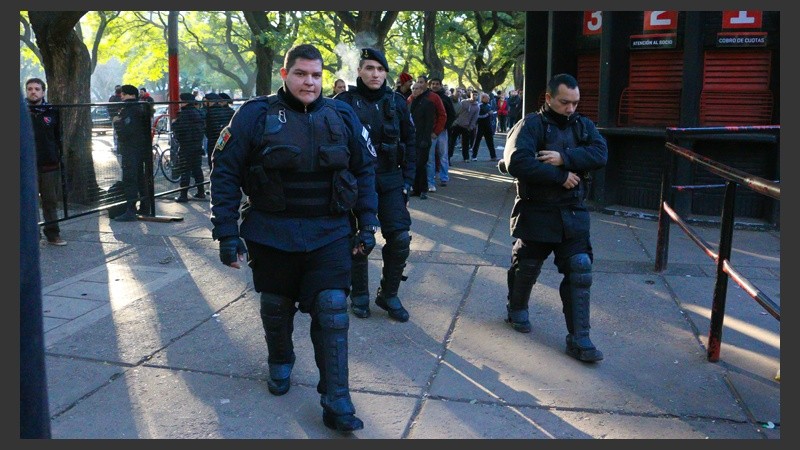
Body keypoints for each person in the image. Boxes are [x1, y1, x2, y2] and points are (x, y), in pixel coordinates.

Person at [209, 43, 379, 433]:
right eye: (301, 74)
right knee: (276, 306)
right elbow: (226, 173)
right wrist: (226, 232)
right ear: (284, 75)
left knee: (334, 310)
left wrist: (367, 224)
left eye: (316, 75)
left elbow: (366, 170)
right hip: (272, 233)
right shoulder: (254, 115)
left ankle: (336, 399)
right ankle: (280, 360)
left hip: (330, 232)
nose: (310, 82)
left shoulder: (343, 115)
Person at [497, 73, 608, 363]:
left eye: (575, 103)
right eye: (564, 102)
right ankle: (516, 309)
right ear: (548, 98)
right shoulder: (530, 125)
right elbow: (516, 162)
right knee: (527, 267)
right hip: (537, 211)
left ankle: (580, 338)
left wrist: (564, 158)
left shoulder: (583, 125)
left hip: (572, 213)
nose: (571, 108)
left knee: (580, 269)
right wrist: (559, 176)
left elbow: (600, 153)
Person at [334, 47, 417, 323]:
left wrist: (407, 181)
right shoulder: (343, 102)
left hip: (390, 179)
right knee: (360, 236)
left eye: (380, 69)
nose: (375, 74)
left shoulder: (397, 102)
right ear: (359, 71)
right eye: (370, 68)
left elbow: (412, 142)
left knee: (400, 238)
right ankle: (359, 294)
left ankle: (388, 293)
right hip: (355, 180)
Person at [25, 78, 66, 246]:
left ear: (43, 92)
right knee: (29, 202)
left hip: (49, 164)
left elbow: (58, 137)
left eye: (36, 89)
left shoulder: (52, 111)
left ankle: (53, 234)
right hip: (27, 166)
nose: (33, 91)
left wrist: (57, 156)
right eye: (29, 89)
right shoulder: (21, 111)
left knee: (50, 201)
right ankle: (31, 237)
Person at [112, 84, 153, 221]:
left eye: (123, 94)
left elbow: (125, 132)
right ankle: (145, 206)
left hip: (130, 149)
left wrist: (117, 123)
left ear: (130, 95)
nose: (121, 96)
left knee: (130, 178)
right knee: (141, 177)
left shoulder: (128, 109)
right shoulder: (142, 106)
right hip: (142, 148)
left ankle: (131, 209)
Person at [407, 81, 445, 199]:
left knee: (422, 164)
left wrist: (429, 136)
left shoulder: (428, 103)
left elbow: (429, 122)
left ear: (422, 90)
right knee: (415, 164)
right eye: (413, 89)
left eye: (417, 89)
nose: (414, 91)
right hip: (413, 137)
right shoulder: (411, 102)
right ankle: (416, 188)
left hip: (424, 138)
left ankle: (423, 189)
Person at [172, 92, 206, 202]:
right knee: (197, 169)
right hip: (197, 145)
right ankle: (201, 191)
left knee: (185, 170)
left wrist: (174, 124)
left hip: (186, 146)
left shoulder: (183, 114)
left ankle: (183, 195)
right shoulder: (198, 113)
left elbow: (180, 130)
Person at [427, 76, 455, 189]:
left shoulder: (446, 99)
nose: (435, 85)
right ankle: (431, 178)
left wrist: (445, 127)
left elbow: (451, 115)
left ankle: (444, 177)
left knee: (443, 155)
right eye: (433, 83)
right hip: (430, 132)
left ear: (440, 85)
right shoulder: (427, 97)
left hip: (442, 131)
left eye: (437, 83)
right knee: (430, 157)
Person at [204, 92, 235, 172]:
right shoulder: (230, 112)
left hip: (214, 141)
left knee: (213, 162)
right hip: (226, 139)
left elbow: (208, 129)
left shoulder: (209, 113)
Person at [450, 89, 480, 163]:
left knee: (465, 144)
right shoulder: (463, 102)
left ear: (477, 96)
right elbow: (457, 112)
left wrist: (471, 127)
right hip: (457, 124)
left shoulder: (477, 107)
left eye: (476, 95)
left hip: (466, 127)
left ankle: (466, 157)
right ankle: (448, 156)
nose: (474, 96)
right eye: (473, 94)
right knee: (452, 142)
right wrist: (454, 122)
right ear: (470, 94)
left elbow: (475, 118)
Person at [470, 92, 498, 161]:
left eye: (488, 97)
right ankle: (474, 156)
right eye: (487, 97)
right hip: (480, 126)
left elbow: (491, 114)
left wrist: (492, 115)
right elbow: (477, 116)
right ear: (483, 98)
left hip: (488, 126)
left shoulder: (489, 105)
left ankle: (493, 156)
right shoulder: (479, 106)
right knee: (477, 141)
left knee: (490, 141)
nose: (488, 98)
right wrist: (487, 114)